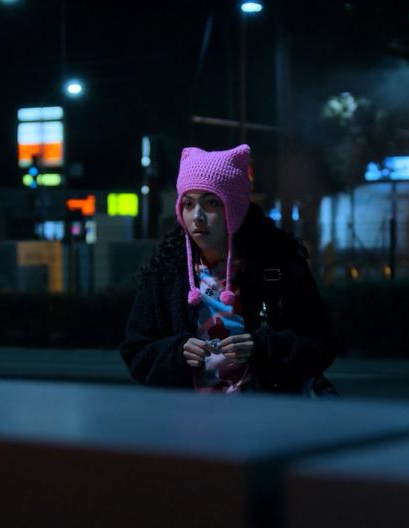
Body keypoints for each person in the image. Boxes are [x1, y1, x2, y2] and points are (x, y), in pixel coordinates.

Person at [119, 144, 340, 395]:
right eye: (188, 204)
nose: (197, 216)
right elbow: (135, 352)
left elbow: (322, 343)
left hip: (264, 420)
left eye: (211, 202)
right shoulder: (167, 272)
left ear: (234, 208)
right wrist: (176, 351)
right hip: (187, 423)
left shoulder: (277, 264)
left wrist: (262, 348)